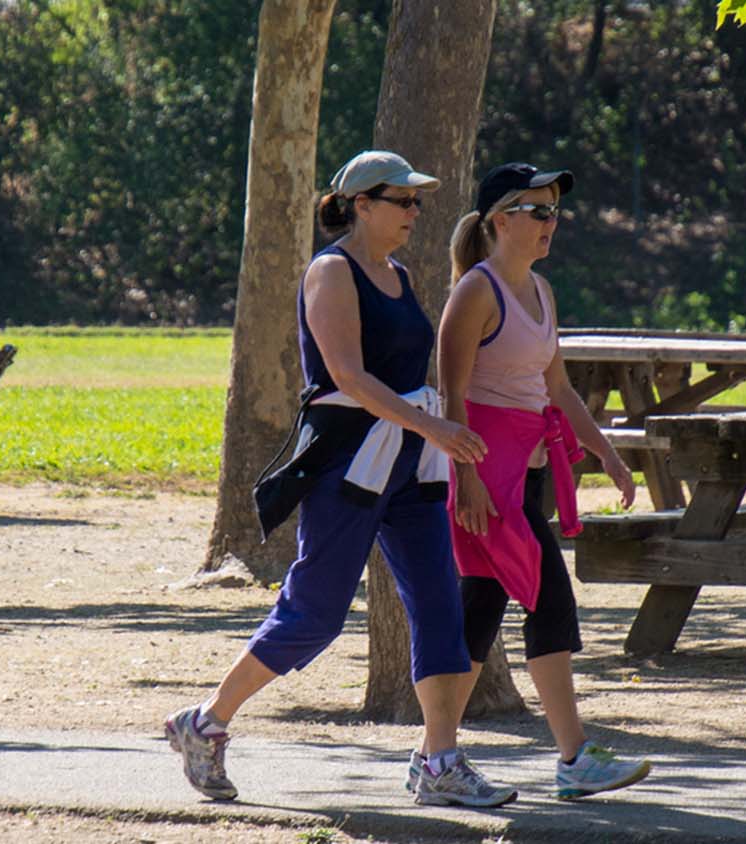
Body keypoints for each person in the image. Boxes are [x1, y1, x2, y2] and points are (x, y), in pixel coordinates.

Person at [165, 150, 518, 809]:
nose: (416, 211)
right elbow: (348, 378)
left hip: (410, 465)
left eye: (417, 201)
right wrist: (434, 427)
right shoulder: (332, 271)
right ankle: (205, 722)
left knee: (441, 601)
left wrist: (440, 431)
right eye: (403, 200)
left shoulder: (400, 274)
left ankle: (439, 760)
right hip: (347, 467)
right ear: (361, 204)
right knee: (317, 612)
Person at [433, 162, 650, 800]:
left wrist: (605, 452)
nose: (551, 221)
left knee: (480, 614)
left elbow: (556, 389)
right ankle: (574, 756)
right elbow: (452, 395)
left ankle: (434, 758)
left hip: (524, 477)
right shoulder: (475, 291)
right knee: (549, 603)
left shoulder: (541, 291)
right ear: (501, 220)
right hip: (484, 481)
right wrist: (466, 481)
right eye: (538, 210)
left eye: (555, 210)